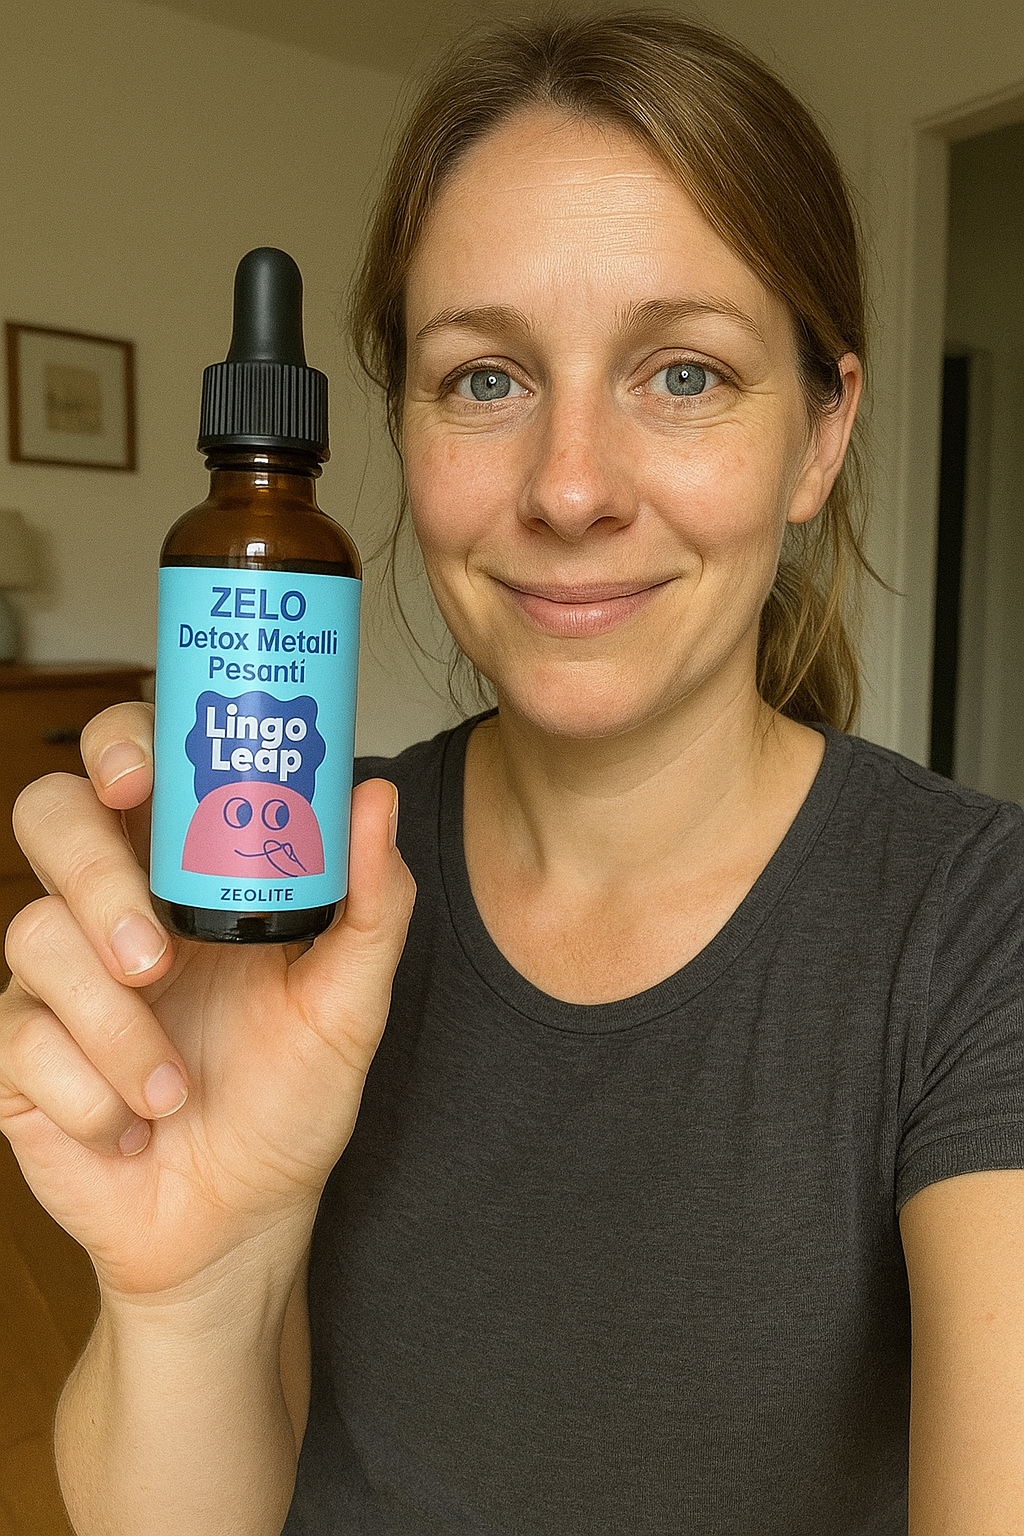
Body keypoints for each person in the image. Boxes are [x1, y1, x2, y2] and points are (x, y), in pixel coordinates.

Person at [3, 12, 1024, 1534]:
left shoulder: (977, 925)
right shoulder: (300, 895)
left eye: (684, 373)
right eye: (485, 380)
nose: (569, 486)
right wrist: (196, 1281)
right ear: (407, 432)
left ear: (820, 437)